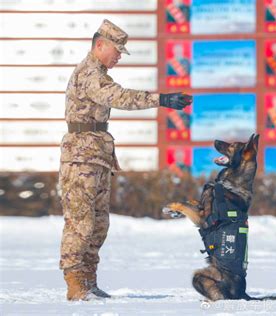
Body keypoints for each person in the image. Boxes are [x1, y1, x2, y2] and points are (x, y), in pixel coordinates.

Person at [58, 19, 192, 301]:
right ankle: (75, 283)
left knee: (98, 224)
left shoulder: (99, 72)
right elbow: (119, 97)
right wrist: (161, 99)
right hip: (81, 159)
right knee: (80, 224)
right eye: (117, 49)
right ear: (99, 45)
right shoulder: (91, 73)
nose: (119, 55)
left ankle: (88, 281)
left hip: (96, 157)